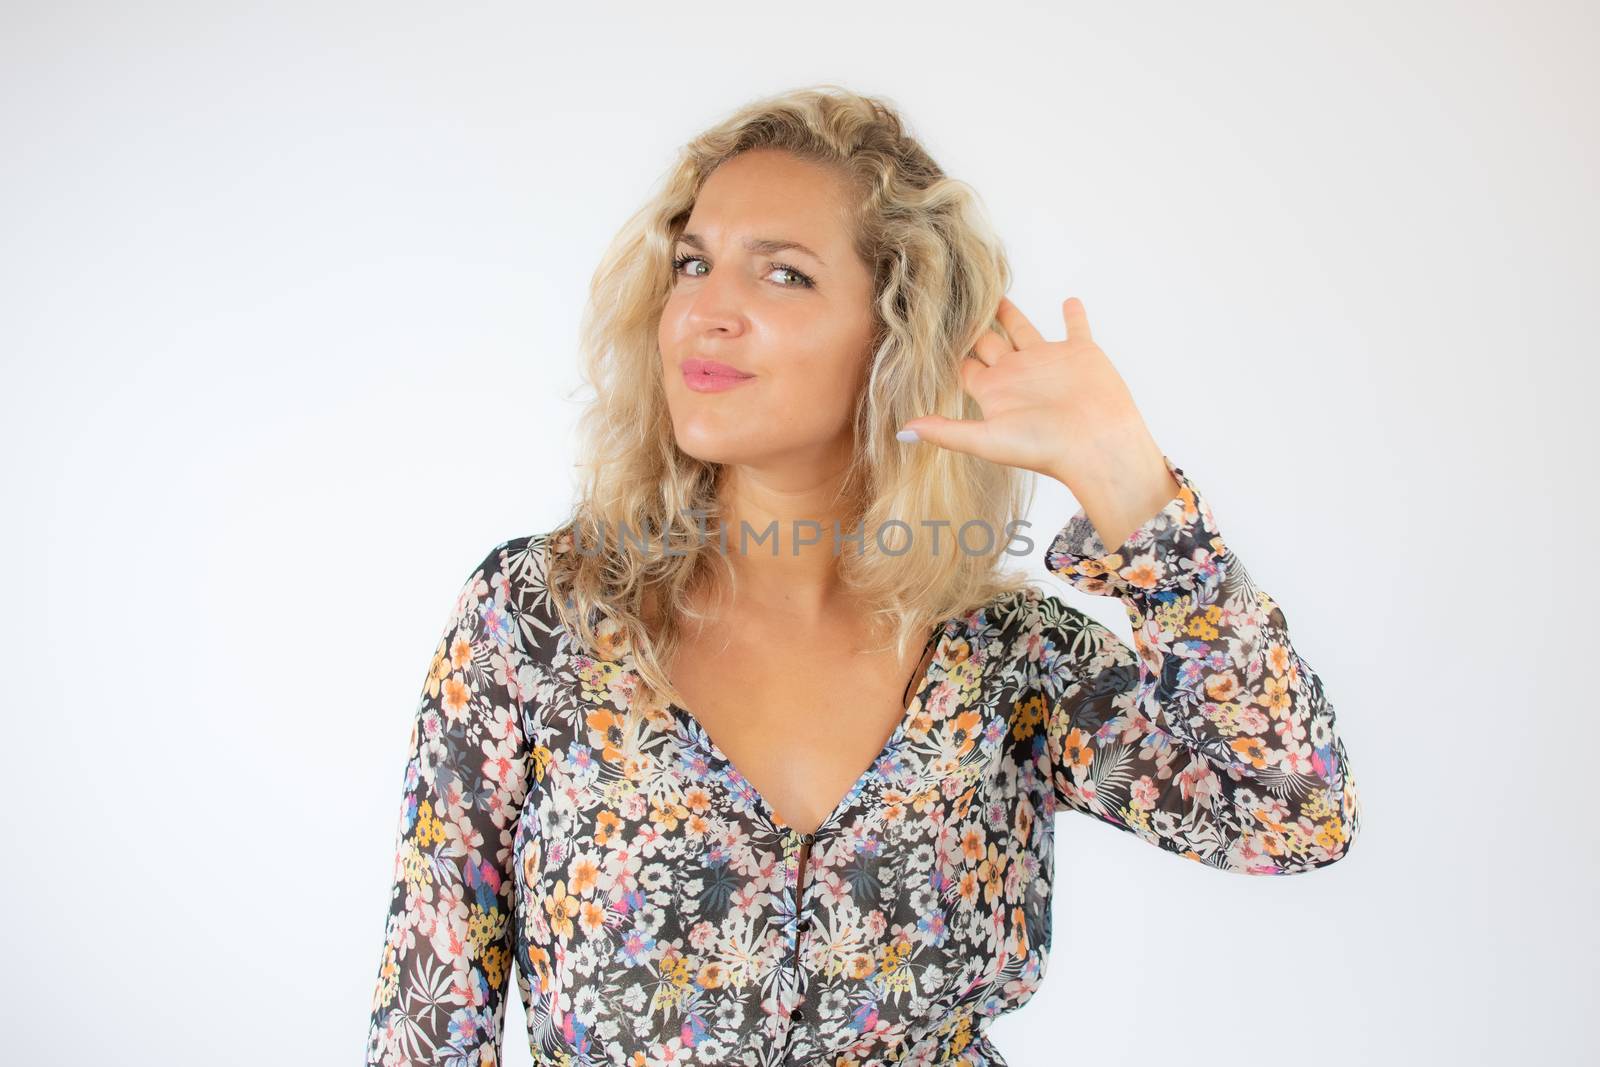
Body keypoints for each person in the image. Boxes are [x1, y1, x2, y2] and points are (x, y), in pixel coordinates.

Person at [364, 84, 1361, 1067]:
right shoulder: (538, 619)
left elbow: (1294, 813)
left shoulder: (1005, 657)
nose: (706, 310)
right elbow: (429, 1018)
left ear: (896, 331)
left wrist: (1130, 482)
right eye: (693, 263)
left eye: (783, 275)